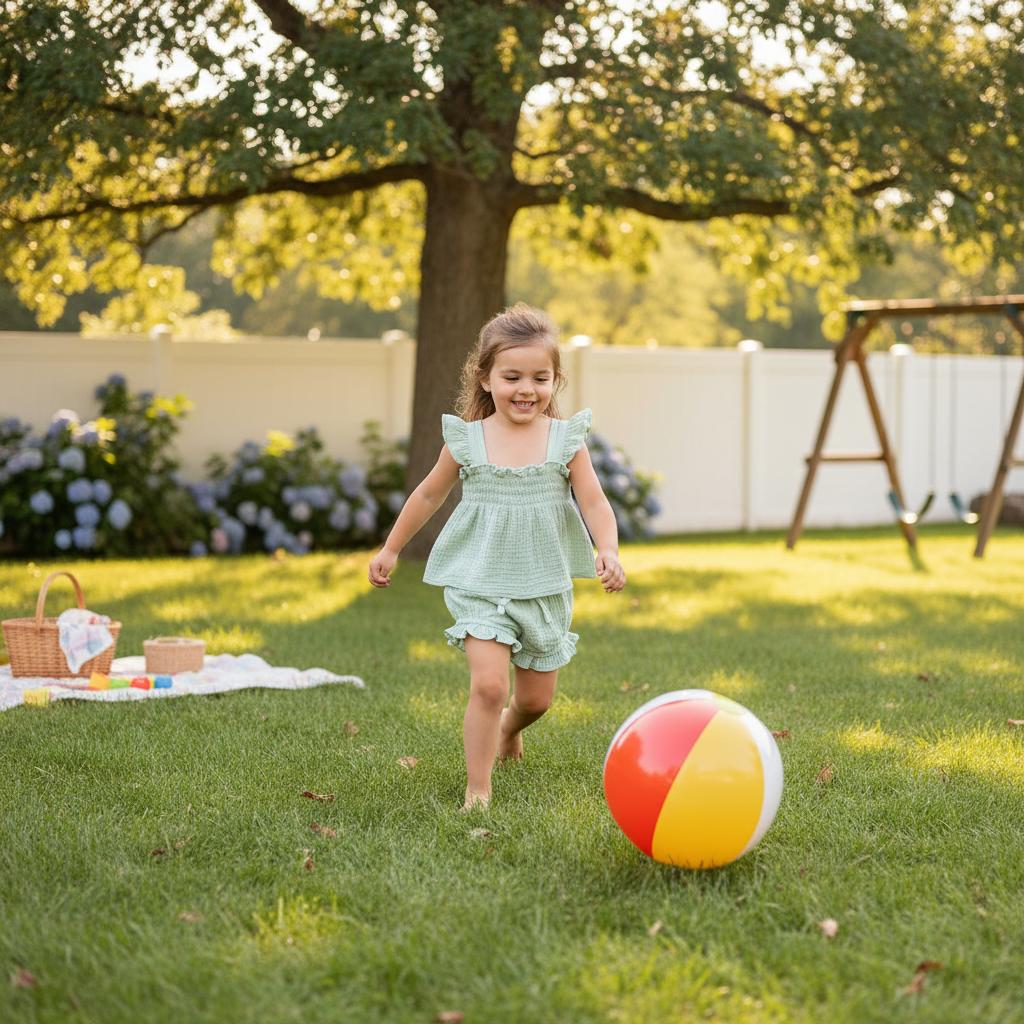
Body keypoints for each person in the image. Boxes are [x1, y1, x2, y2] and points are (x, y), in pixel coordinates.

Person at [368, 304, 626, 811]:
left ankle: (510, 728)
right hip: (480, 583)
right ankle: (478, 789)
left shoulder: (565, 440)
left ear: (556, 381)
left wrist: (609, 548)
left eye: (540, 377)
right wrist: (391, 547)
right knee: (488, 686)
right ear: (485, 379)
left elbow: (593, 500)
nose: (526, 389)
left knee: (535, 700)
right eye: (512, 376)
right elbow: (426, 496)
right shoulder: (468, 440)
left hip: (545, 585)